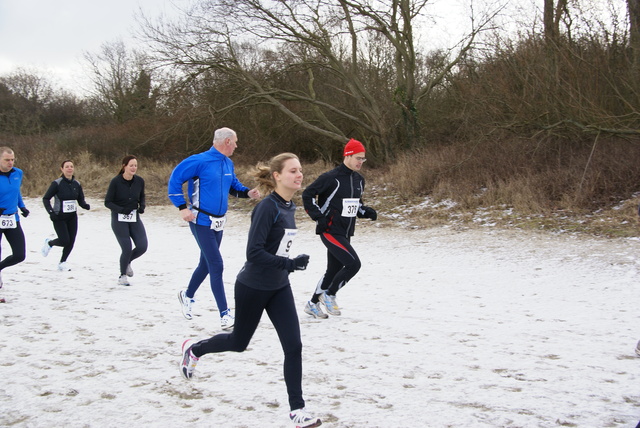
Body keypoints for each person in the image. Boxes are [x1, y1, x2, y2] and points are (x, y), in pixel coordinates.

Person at [179, 152, 322, 428]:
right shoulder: (267, 208)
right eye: (293, 171)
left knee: (294, 347)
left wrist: (286, 267)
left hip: (279, 286)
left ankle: (297, 411)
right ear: (277, 176)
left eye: (300, 170)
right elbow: (253, 252)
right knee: (238, 342)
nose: (299, 175)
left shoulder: (289, 207)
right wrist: (290, 264)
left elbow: (277, 247)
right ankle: (195, 349)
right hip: (253, 286)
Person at [168, 127, 260, 330]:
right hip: (200, 220)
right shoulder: (199, 160)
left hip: (219, 222)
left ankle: (187, 295)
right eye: (235, 141)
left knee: (206, 264)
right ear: (227, 141)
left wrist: (249, 193)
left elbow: (234, 187)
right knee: (216, 264)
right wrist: (182, 208)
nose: (236, 145)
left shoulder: (228, 163)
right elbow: (174, 180)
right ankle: (225, 314)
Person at [301, 138, 377, 319]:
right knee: (353, 264)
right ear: (348, 156)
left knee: (333, 270)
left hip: (346, 231)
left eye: (363, 159)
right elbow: (307, 195)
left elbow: (356, 205)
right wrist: (318, 217)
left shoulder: (359, 180)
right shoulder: (330, 178)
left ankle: (312, 304)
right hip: (330, 230)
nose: (361, 162)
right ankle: (330, 294)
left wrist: (366, 211)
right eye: (358, 158)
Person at [104, 155, 148, 286]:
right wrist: (121, 210)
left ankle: (127, 261)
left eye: (135, 165)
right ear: (124, 166)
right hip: (119, 219)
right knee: (127, 248)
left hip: (134, 218)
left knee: (142, 246)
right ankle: (122, 276)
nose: (134, 168)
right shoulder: (116, 181)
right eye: (131, 165)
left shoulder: (139, 181)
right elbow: (108, 202)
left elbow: (142, 196)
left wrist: (142, 206)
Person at [41, 160, 91, 271]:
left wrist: (85, 205)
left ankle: (62, 262)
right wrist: (51, 212)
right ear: (62, 169)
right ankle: (50, 243)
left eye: (71, 166)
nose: (69, 168)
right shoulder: (57, 183)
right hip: (59, 217)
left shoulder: (76, 184)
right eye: (67, 167)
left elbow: (80, 200)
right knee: (64, 241)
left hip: (72, 217)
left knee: (71, 241)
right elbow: (45, 199)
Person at [0, 147, 29, 292]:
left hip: (12, 219)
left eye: (12, 159)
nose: (10, 162)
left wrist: (22, 207)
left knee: (19, 255)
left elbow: (16, 191)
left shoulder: (18, 173)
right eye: (6, 160)